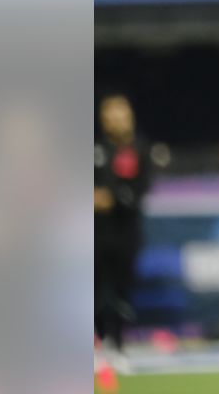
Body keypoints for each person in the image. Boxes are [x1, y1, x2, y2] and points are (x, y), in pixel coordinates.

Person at [94, 93, 153, 359]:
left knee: (122, 292)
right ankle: (96, 344)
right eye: (110, 115)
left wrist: (113, 198)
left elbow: (141, 190)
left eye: (120, 114)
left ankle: (118, 345)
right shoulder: (95, 149)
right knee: (92, 292)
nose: (116, 120)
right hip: (95, 234)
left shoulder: (140, 149)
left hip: (126, 233)